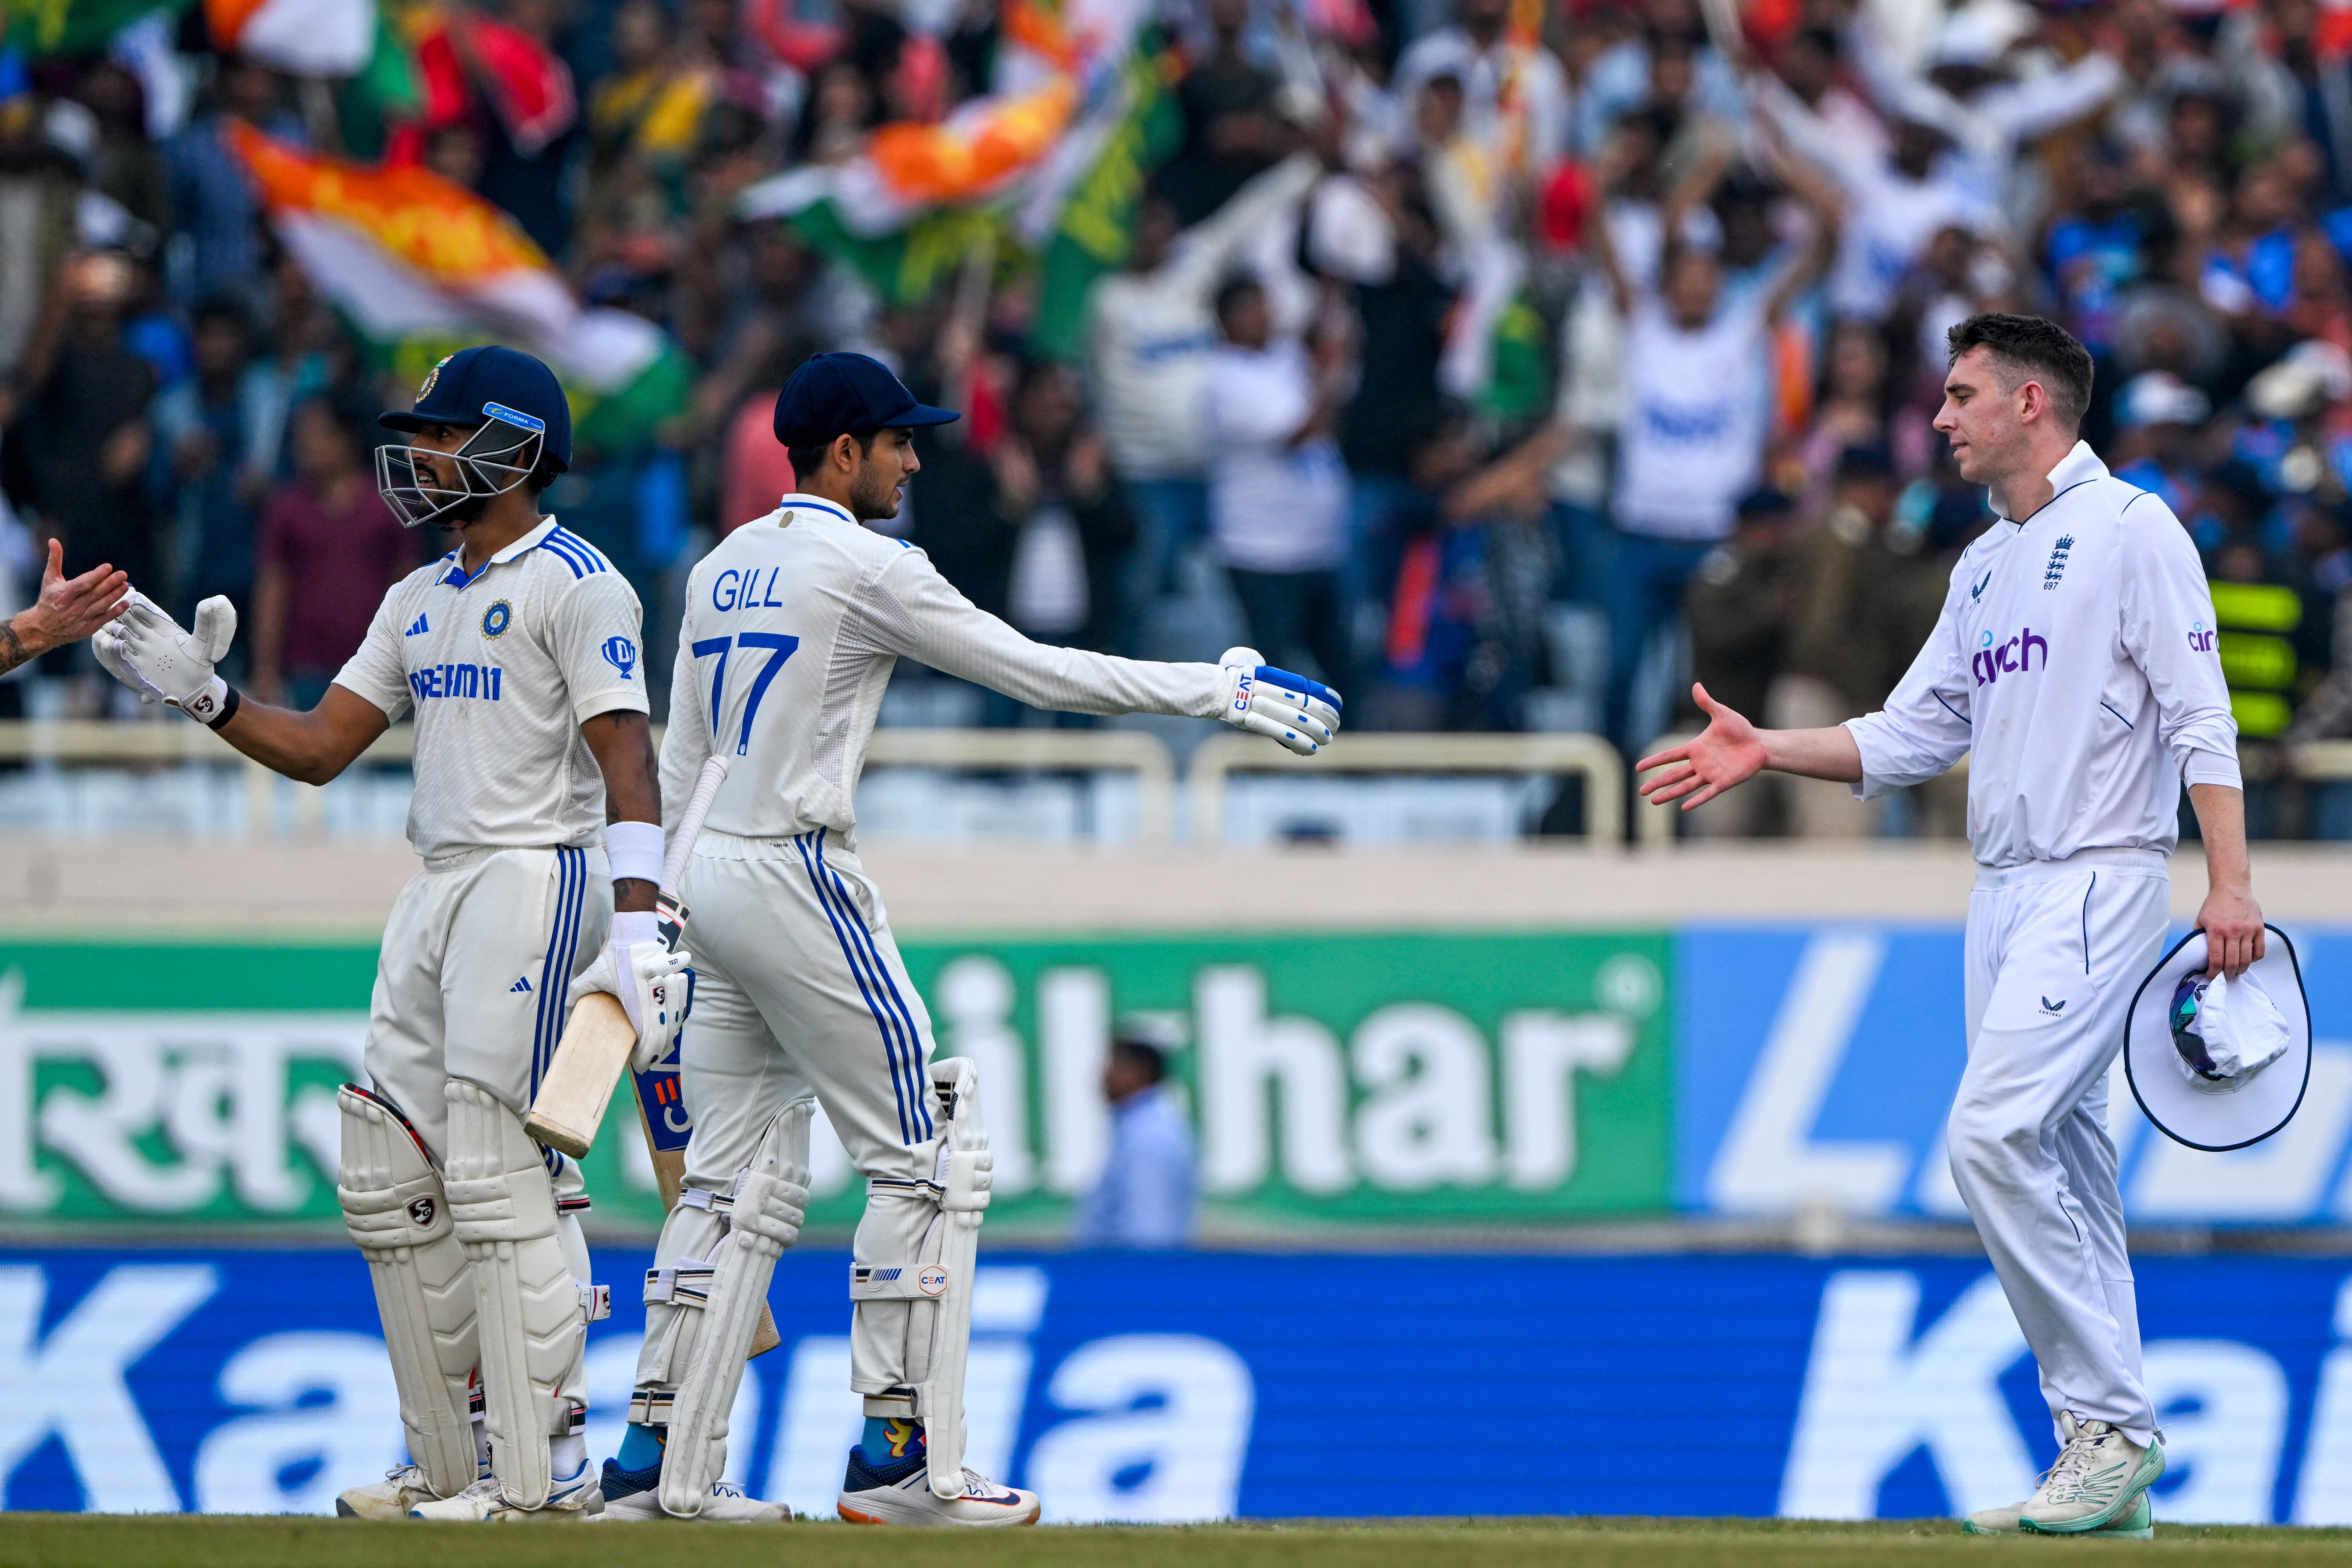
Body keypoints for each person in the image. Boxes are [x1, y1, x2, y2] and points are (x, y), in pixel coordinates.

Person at [611, 350, 1339, 1526]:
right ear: (841, 452)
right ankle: (900, 1453)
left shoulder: (716, 567)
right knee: (928, 1154)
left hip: (706, 884)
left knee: (726, 1185)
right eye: (898, 441)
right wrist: (1219, 691)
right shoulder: (869, 563)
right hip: (798, 866)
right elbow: (1036, 669)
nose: (913, 458)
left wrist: (655, 909)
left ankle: (656, 1464)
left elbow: (678, 755)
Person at [1640, 314, 2260, 1539]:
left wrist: (2228, 884)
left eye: (1961, 395)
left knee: (1986, 1137)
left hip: (2097, 878)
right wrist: (1766, 748)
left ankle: (2115, 1429)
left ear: (2031, 404)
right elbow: (1910, 734)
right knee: (2070, 1175)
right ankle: (2105, 1476)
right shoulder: (1980, 565)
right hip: (2001, 892)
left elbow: (2202, 716)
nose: (1938, 419)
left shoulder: (2135, 533)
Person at [91, 345, 688, 1523]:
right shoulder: (417, 597)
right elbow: (319, 749)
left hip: (536, 871)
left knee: (498, 1168)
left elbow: (628, 755)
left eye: (440, 432)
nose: (415, 455)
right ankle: (451, 1459)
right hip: (436, 883)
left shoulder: (581, 582)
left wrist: (639, 919)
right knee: (395, 1172)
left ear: (512, 447)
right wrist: (202, 695)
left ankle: (545, 1461)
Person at [1204, 276, 1351, 689]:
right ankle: (1253, 756)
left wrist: (1329, 301)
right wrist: (1334, 375)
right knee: (1269, 677)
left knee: (1345, 670)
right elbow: (1300, 432)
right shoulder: (1226, 378)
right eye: (1254, 309)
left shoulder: (1280, 358)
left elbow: (1313, 337)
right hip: (1262, 553)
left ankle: (1352, 753)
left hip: (1315, 550)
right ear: (1228, 320)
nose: (1266, 316)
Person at [249, 396, 416, 708]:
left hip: (379, 663)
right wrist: (265, 669)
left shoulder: (390, 501)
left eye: (318, 433)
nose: (306, 444)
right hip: (305, 666)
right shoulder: (287, 507)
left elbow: (408, 583)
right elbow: (273, 588)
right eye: (301, 435)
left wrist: (409, 656)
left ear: (348, 438)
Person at [1070, 1037, 1198, 1248]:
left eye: (1113, 1066)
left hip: (1131, 1276)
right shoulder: (1140, 1129)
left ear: (1138, 1073)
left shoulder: (1150, 1137)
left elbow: (1148, 1233)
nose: (1104, 1077)